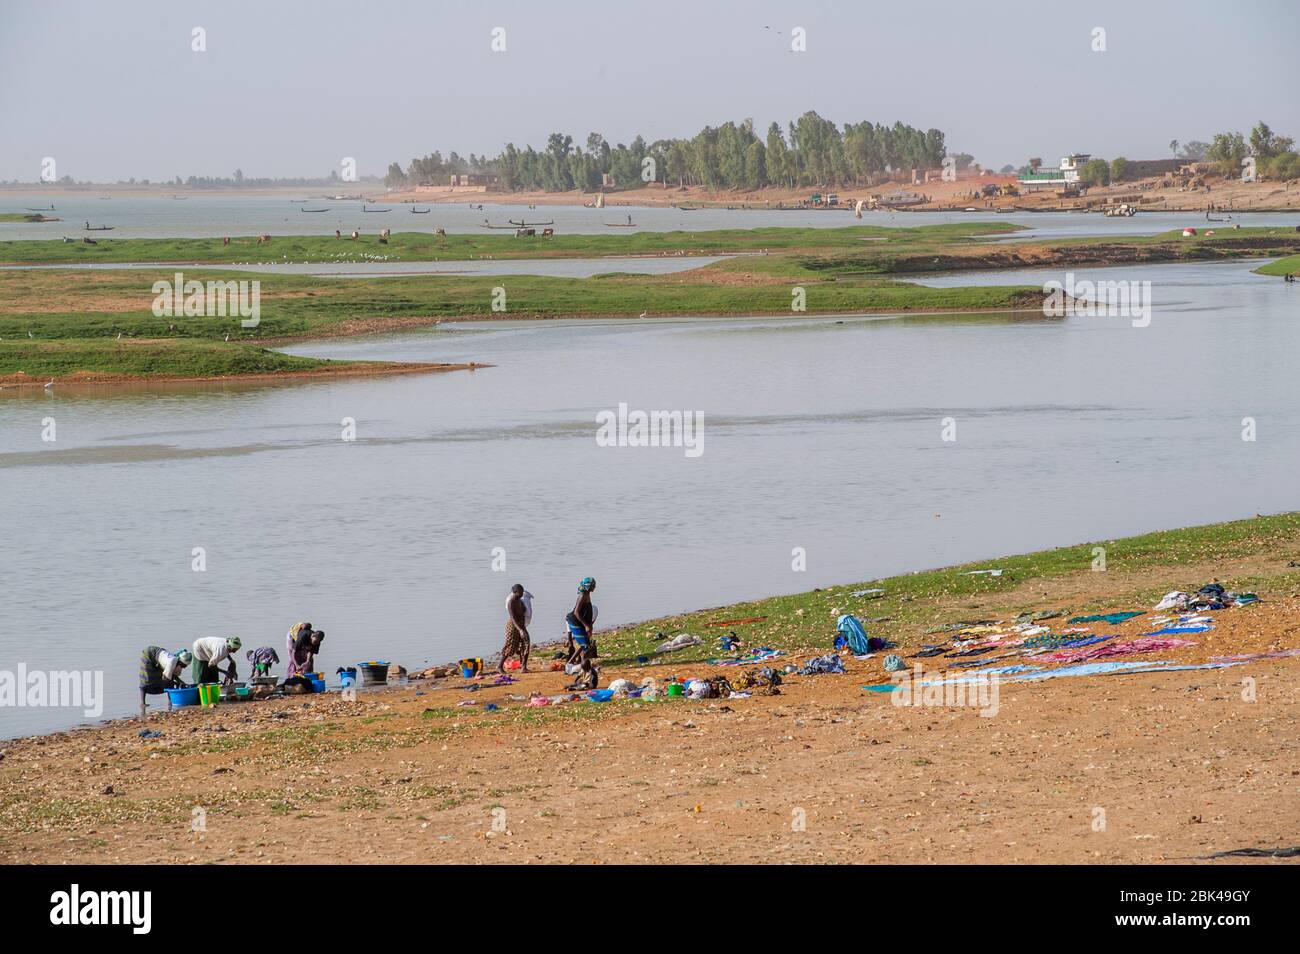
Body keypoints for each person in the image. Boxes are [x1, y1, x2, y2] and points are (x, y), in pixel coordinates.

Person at [139, 646, 192, 711]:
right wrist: (178, 684)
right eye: (184, 666)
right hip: (148, 654)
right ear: (181, 662)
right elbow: (166, 680)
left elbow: (173, 676)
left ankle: (170, 701)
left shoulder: (176, 662)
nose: (184, 668)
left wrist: (183, 683)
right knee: (146, 679)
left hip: (158, 656)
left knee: (168, 681)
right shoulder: (171, 662)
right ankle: (142, 703)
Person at [499, 584, 532, 673]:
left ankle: (523, 667)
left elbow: (524, 610)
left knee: (526, 643)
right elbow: (513, 618)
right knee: (510, 646)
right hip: (513, 626)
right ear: (515, 592)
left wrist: (522, 627)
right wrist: (520, 630)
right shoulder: (511, 602)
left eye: (522, 591)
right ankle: (500, 666)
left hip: (521, 625)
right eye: (520, 592)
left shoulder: (520, 601)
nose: (522, 594)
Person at [565, 577, 598, 663]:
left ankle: (571, 663)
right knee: (586, 647)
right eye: (593, 585)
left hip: (579, 622)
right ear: (588, 586)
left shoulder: (586, 594)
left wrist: (589, 626)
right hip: (574, 621)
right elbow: (576, 612)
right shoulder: (583, 595)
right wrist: (586, 625)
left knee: (585, 643)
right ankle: (583, 667)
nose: (594, 587)